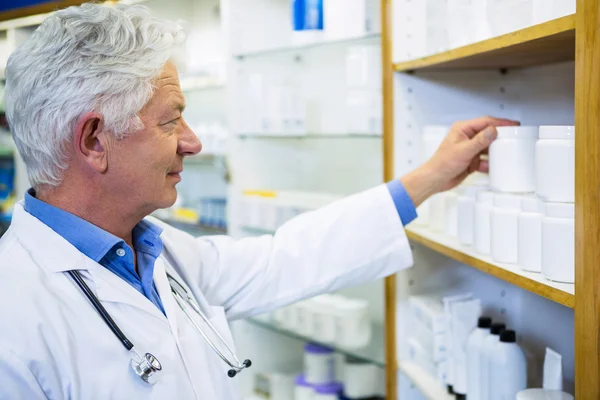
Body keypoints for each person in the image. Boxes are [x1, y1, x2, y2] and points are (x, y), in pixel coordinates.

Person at [0, 3, 518, 399]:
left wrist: (430, 178)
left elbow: (287, 258)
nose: (193, 142)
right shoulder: (14, 316)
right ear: (94, 141)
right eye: (170, 119)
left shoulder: (163, 254)